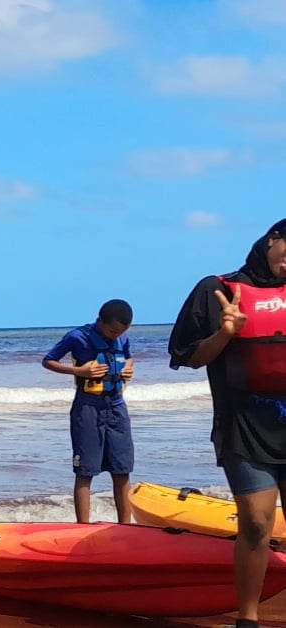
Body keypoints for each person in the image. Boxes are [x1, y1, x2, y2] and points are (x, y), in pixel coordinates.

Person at [169, 219, 286, 628]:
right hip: (244, 424)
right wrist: (225, 333)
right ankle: (247, 618)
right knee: (256, 521)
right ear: (272, 239)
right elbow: (187, 356)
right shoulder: (217, 289)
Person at [42, 300, 136, 524]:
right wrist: (79, 371)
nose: (116, 335)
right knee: (85, 470)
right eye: (112, 331)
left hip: (116, 406)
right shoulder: (77, 337)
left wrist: (128, 367)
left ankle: (126, 526)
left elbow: (128, 357)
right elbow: (48, 361)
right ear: (100, 321)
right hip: (87, 407)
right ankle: (83, 525)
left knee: (122, 469)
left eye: (121, 331)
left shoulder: (122, 338)